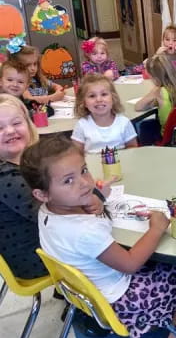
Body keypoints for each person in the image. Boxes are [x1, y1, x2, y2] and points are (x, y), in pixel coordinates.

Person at [20, 135, 176, 338]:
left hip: (88, 294)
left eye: (83, 170)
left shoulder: (47, 210)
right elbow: (130, 264)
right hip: (122, 300)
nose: (84, 183)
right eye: (68, 180)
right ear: (42, 194)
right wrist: (157, 228)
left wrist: (96, 204)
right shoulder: (85, 231)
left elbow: (86, 224)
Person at [0, 94, 105, 279]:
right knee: (109, 245)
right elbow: (68, 212)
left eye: (16, 123)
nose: (9, 131)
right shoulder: (6, 178)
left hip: (45, 243)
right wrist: (95, 195)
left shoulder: (29, 160)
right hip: (35, 257)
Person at [72, 74, 138, 153]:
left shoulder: (124, 122)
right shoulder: (82, 125)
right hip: (93, 165)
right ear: (84, 102)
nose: (99, 99)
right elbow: (77, 153)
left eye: (104, 94)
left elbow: (132, 148)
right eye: (92, 96)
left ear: (113, 98)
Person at [135, 54, 176, 136]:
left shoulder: (158, 91)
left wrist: (153, 93)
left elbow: (138, 107)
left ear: (153, 77)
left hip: (169, 136)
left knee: (145, 125)